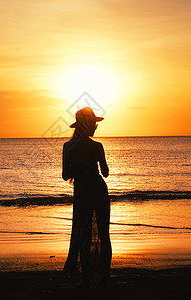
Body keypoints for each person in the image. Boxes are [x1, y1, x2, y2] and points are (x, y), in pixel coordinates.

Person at [62, 107, 111, 285]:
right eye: (93, 124)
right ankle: (97, 273)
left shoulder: (70, 147)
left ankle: (93, 273)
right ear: (86, 125)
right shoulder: (93, 147)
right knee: (98, 233)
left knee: (87, 233)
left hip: (86, 192)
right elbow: (105, 173)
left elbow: (66, 175)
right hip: (94, 191)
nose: (96, 127)